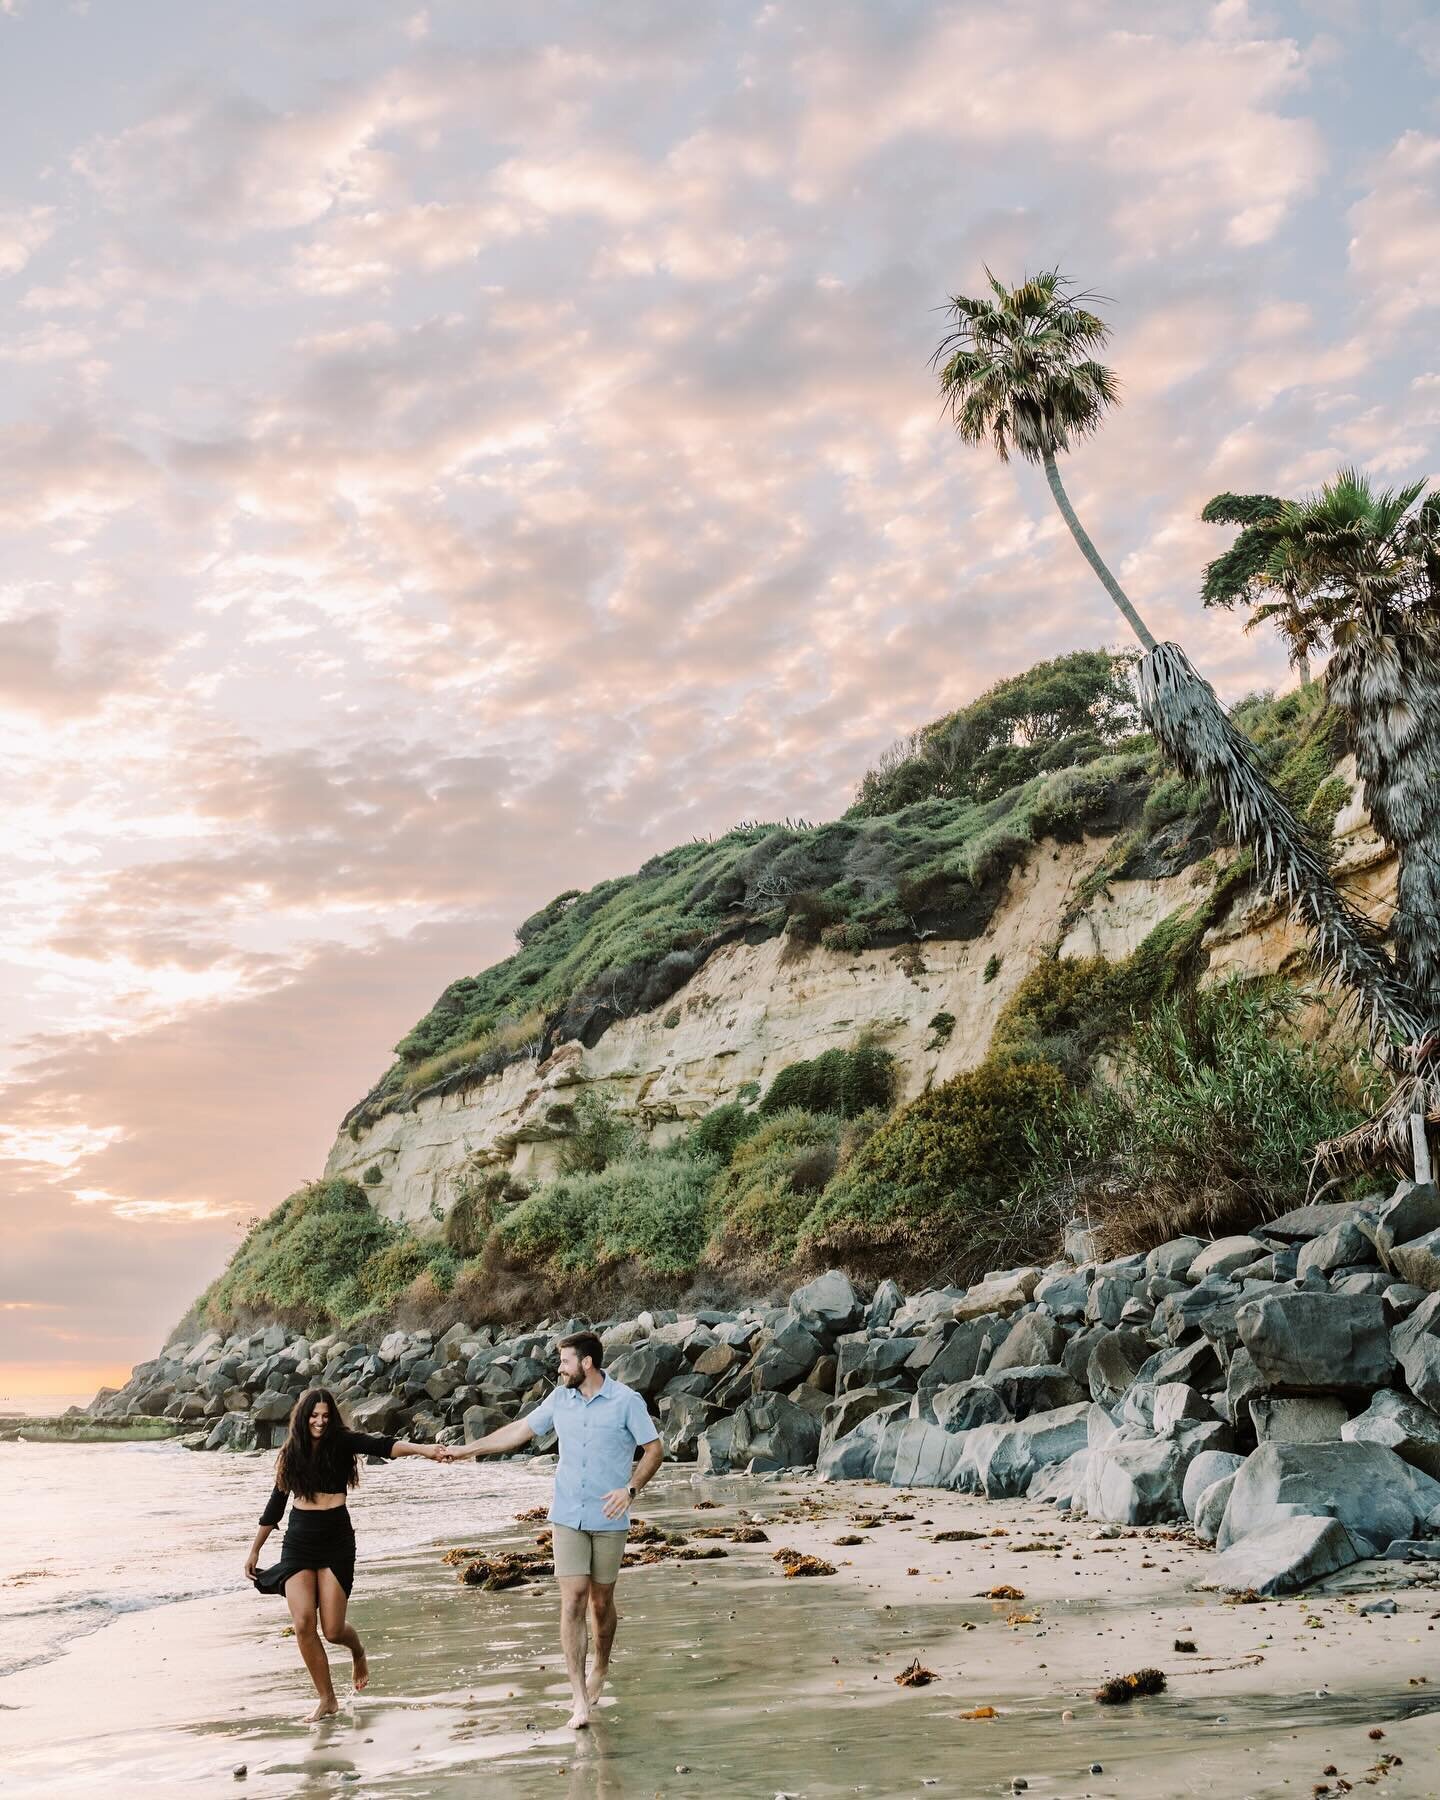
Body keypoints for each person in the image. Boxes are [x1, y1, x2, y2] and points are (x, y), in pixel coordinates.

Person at [444, 1331, 662, 1728]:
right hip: (566, 1515)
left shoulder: (625, 1402)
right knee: (574, 1599)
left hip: (609, 1517)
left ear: (587, 1364)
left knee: (601, 1602)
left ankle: (601, 1665)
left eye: (564, 1361)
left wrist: (631, 1489)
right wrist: (466, 1450)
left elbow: (654, 1449)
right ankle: (578, 1697)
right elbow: (518, 1432)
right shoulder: (559, 1399)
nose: (559, 1369)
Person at [244, 1387, 444, 1719]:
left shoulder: (342, 1441)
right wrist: (254, 1550)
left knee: (333, 1630)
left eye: (325, 1416)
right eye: (314, 1416)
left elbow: (383, 1445)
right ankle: (327, 1699)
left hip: (336, 1539)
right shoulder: (291, 1452)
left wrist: (424, 1450)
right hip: (299, 1541)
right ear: (303, 1417)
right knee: (303, 1623)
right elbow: (275, 1505)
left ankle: (358, 1652)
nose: (320, 1422)